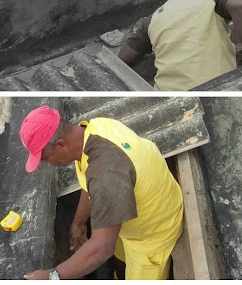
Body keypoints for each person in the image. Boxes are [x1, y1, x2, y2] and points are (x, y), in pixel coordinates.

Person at [20, 106, 183, 280]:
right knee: (120, 255)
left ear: (60, 144)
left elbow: (103, 248)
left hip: (152, 233)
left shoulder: (106, 174)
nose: (46, 163)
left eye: (44, 157)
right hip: (137, 213)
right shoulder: (95, 128)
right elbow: (90, 183)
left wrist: (52, 276)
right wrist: (79, 222)